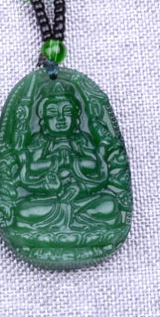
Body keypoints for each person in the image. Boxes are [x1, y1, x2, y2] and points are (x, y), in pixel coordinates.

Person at [12, 81, 120, 232]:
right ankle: (75, 218)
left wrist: (76, 177)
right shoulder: (41, 141)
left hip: (81, 197)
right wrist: (55, 166)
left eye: (67, 112)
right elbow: (31, 167)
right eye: (53, 113)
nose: (60, 118)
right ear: (43, 119)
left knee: (109, 204)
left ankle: (68, 219)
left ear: (77, 118)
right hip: (49, 199)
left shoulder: (82, 139)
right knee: (23, 209)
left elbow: (95, 165)